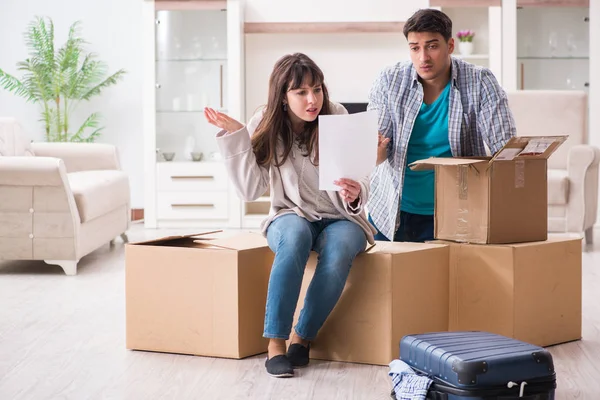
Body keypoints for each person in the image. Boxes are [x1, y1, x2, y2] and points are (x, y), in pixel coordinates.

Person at [204, 53, 376, 378]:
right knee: (295, 236)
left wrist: (356, 192)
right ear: (283, 96)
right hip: (289, 214)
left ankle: (303, 337)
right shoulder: (264, 123)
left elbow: (361, 173)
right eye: (301, 92)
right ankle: (275, 344)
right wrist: (238, 137)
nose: (313, 100)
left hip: (339, 217)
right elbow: (250, 190)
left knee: (342, 247)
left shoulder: (337, 115)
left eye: (317, 89)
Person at [367, 8, 517, 243]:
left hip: (457, 213)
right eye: (415, 48)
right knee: (392, 280)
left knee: (448, 280)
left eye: (432, 46)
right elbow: (377, 146)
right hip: (392, 210)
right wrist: (371, 151)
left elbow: (506, 149)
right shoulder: (390, 80)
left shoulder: (480, 82)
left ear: (450, 45)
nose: (423, 57)